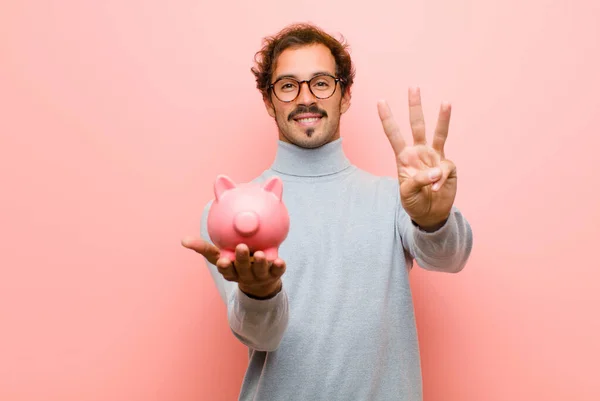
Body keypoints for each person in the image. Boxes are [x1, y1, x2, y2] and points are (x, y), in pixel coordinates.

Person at [182, 22, 473, 401]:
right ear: (269, 101)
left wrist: (434, 218)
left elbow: (449, 258)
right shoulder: (227, 213)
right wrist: (260, 294)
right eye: (288, 85)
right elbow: (261, 336)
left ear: (345, 94)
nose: (306, 98)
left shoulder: (394, 198)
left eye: (321, 82)